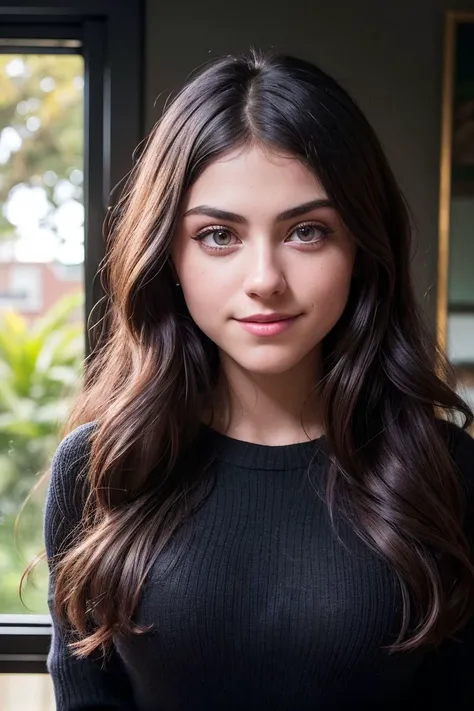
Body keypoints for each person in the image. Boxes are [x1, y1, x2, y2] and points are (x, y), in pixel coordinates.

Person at [41, 50, 474, 710]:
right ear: (171, 256)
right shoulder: (102, 468)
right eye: (219, 235)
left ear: (360, 249)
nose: (265, 278)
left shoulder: (446, 471)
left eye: (307, 231)